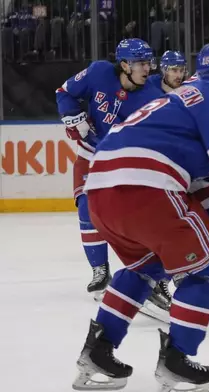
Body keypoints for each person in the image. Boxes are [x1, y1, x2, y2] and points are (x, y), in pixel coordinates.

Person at [71, 41, 209, 392]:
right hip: (147, 186)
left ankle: (98, 351)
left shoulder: (176, 101)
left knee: (146, 267)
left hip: (100, 189)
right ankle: (177, 360)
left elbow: (208, 196)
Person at [56, 38, 163, 297]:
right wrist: (72, 116)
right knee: (85, 205)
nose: (147, 69)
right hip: (90, 154)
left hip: (123, 162)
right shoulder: (99, 72)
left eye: (149, 63)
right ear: (124, 64)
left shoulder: (153, 97)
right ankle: (100, 271)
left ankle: (154, 277)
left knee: (142, 218)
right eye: (140, 63)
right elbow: (64, 92)